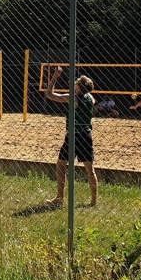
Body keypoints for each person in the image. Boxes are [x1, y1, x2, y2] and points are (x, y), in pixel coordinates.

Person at [45, 67, 98, 207]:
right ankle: (93, 202)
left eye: (76, 84)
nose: (74, 84)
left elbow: (49, 94)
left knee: (61, 165)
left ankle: (60, 197)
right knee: (90, 170)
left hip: (73, 135)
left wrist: (55, 77)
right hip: (86, 135)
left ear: (79, 88)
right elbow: (92, 99)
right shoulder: (90, 98)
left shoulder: (72, 97)